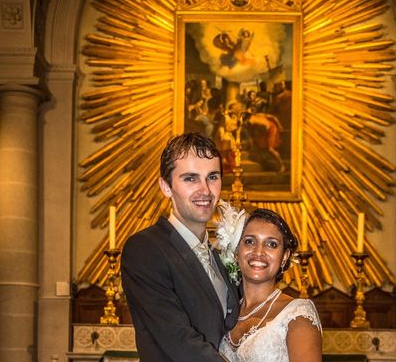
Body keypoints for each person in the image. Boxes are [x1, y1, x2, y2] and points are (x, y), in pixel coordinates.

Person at [121, 132, 240, 361]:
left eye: (212, 177)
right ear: (165, 186)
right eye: (190, 178)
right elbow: (178, 340)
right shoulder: (145, 250)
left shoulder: (220, 256)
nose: (205, 190)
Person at [219, 208, 322, 361]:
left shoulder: (298, 315)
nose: (258, 251)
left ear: (285, 257)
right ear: (236, 252)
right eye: (249, 241)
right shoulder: (223, 311)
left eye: (271, 244)